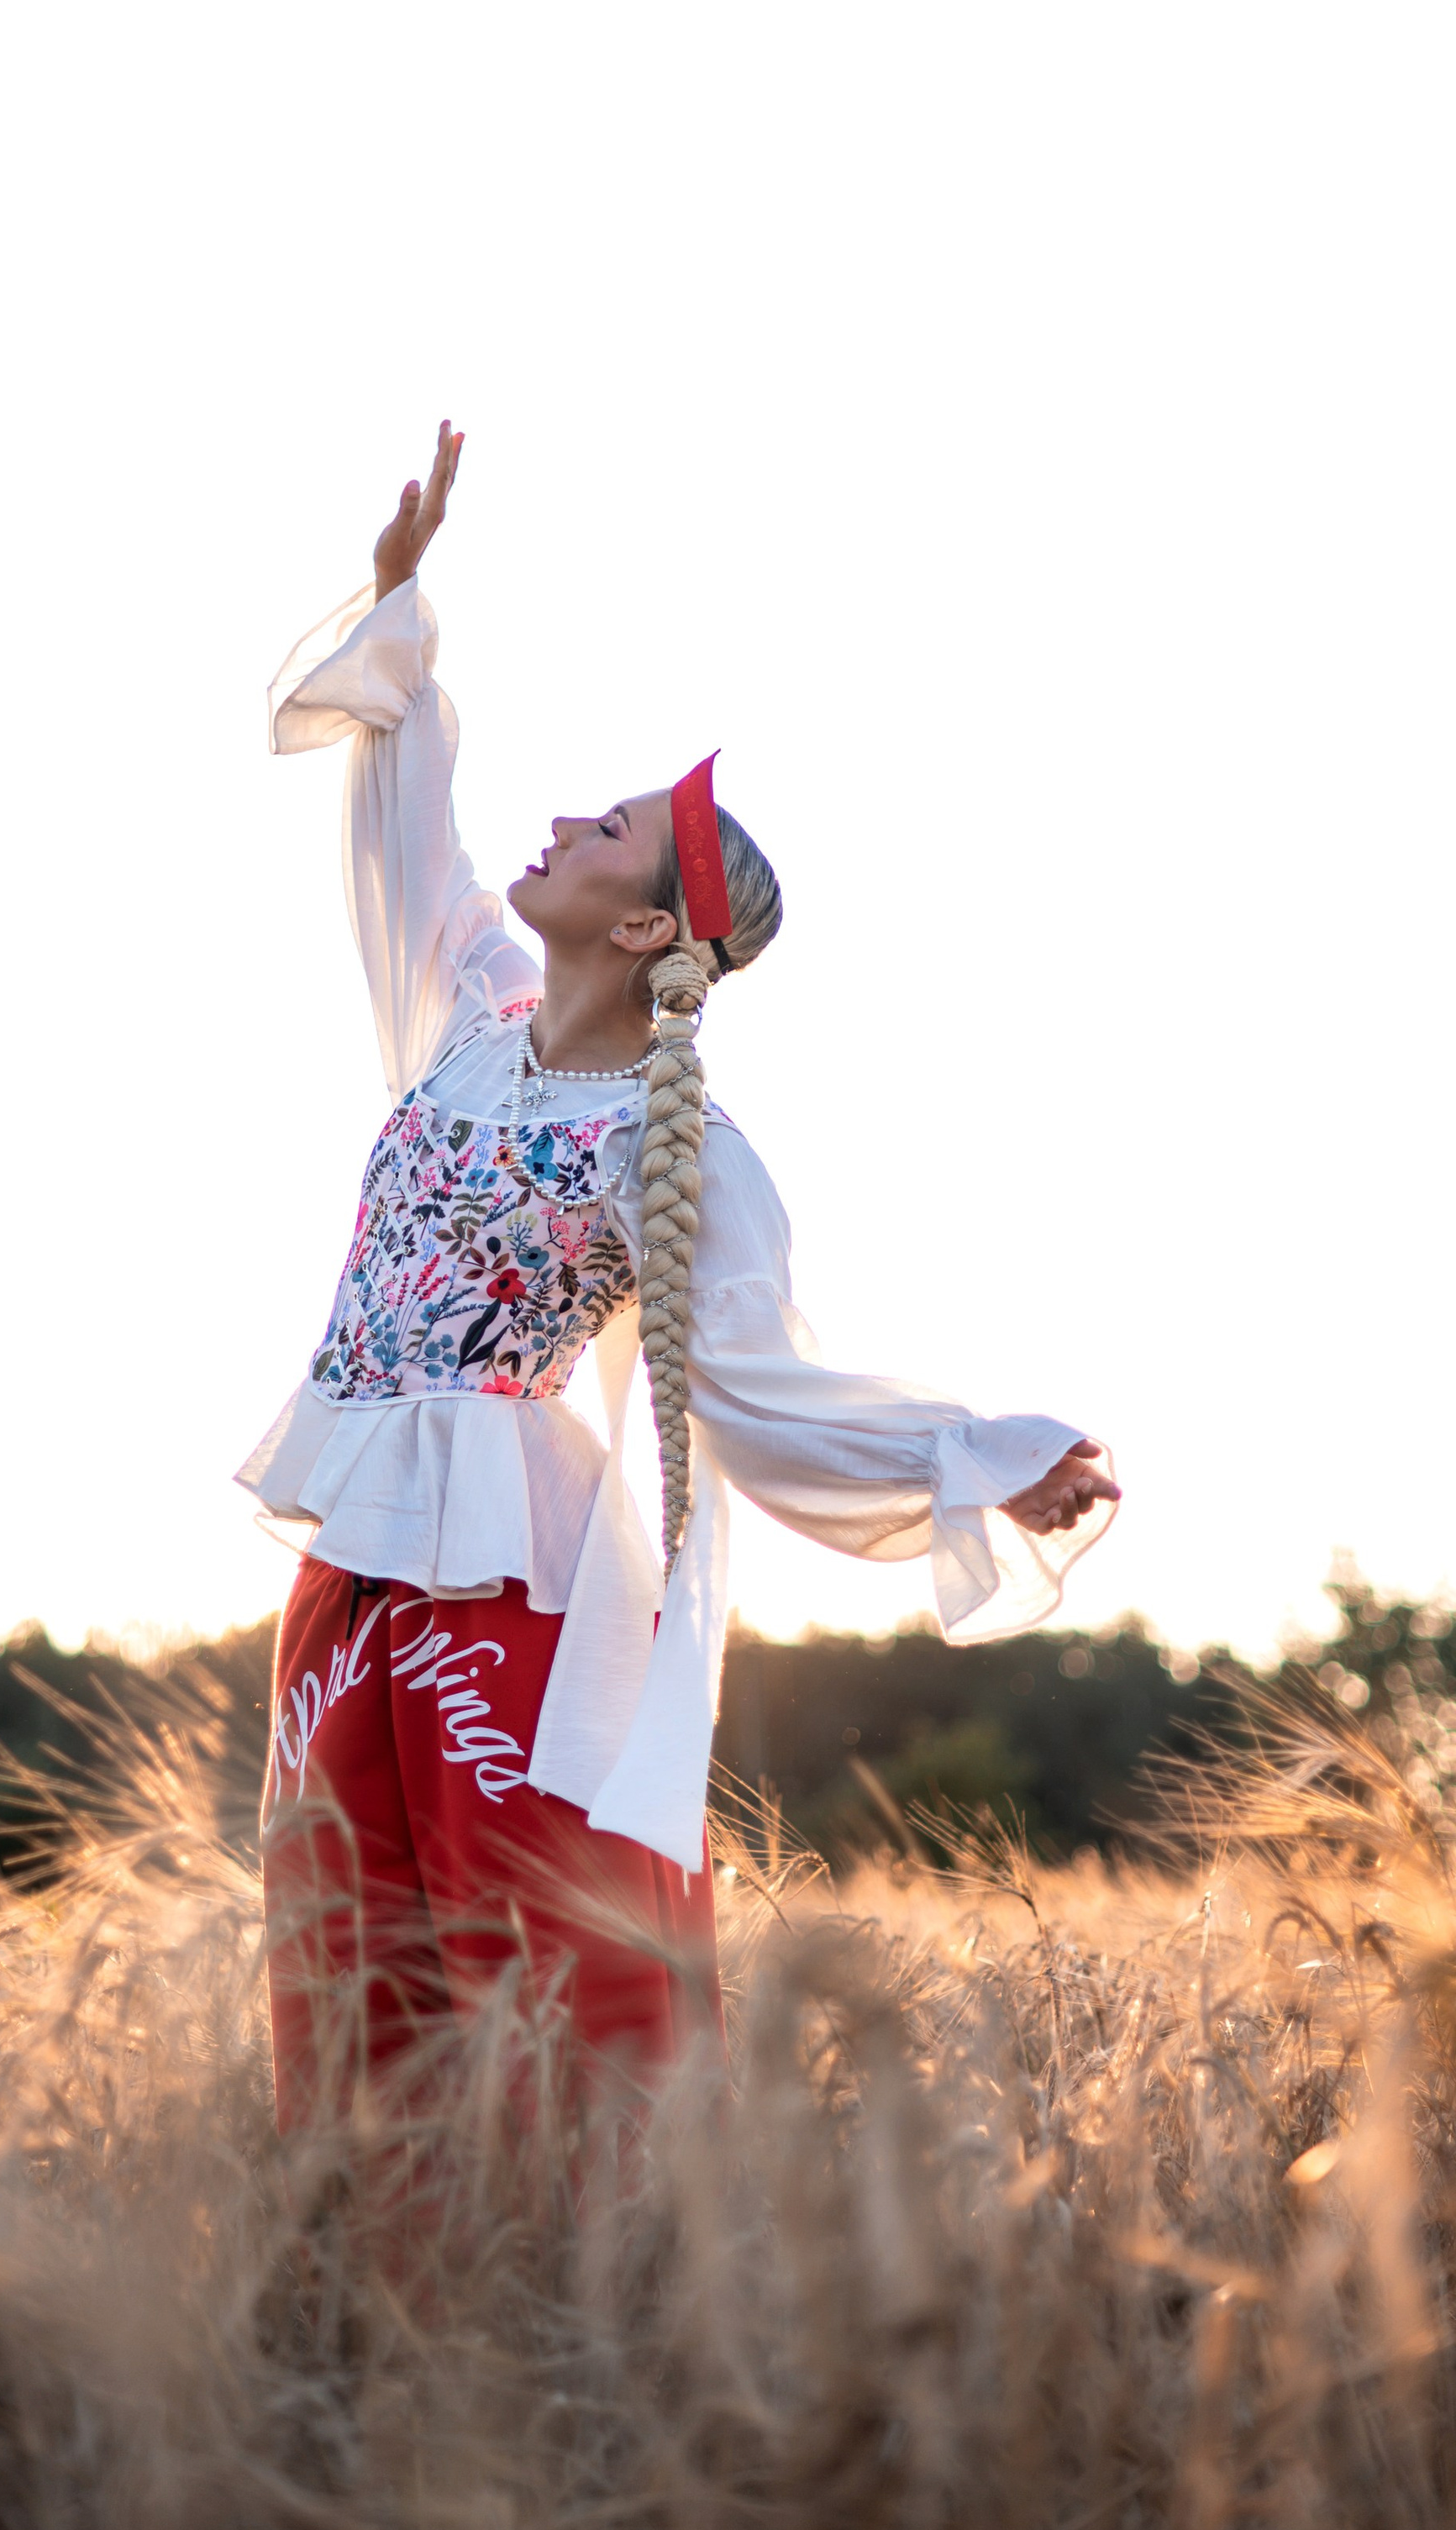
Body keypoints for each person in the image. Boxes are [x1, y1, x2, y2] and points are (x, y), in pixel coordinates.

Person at [241, 421, 1120, 2123]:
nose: (565, 820)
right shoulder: (465, 1012)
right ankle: (365, 2283)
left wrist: (981, 1458)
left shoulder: (680, 1142)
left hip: (503, 1585)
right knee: (344, 1981)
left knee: (527, 1975)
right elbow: (406, 834)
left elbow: (765, 1386)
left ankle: (593, 2264)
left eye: (610, 830)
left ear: (646, 927)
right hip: (350, 1571)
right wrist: (399, 603)